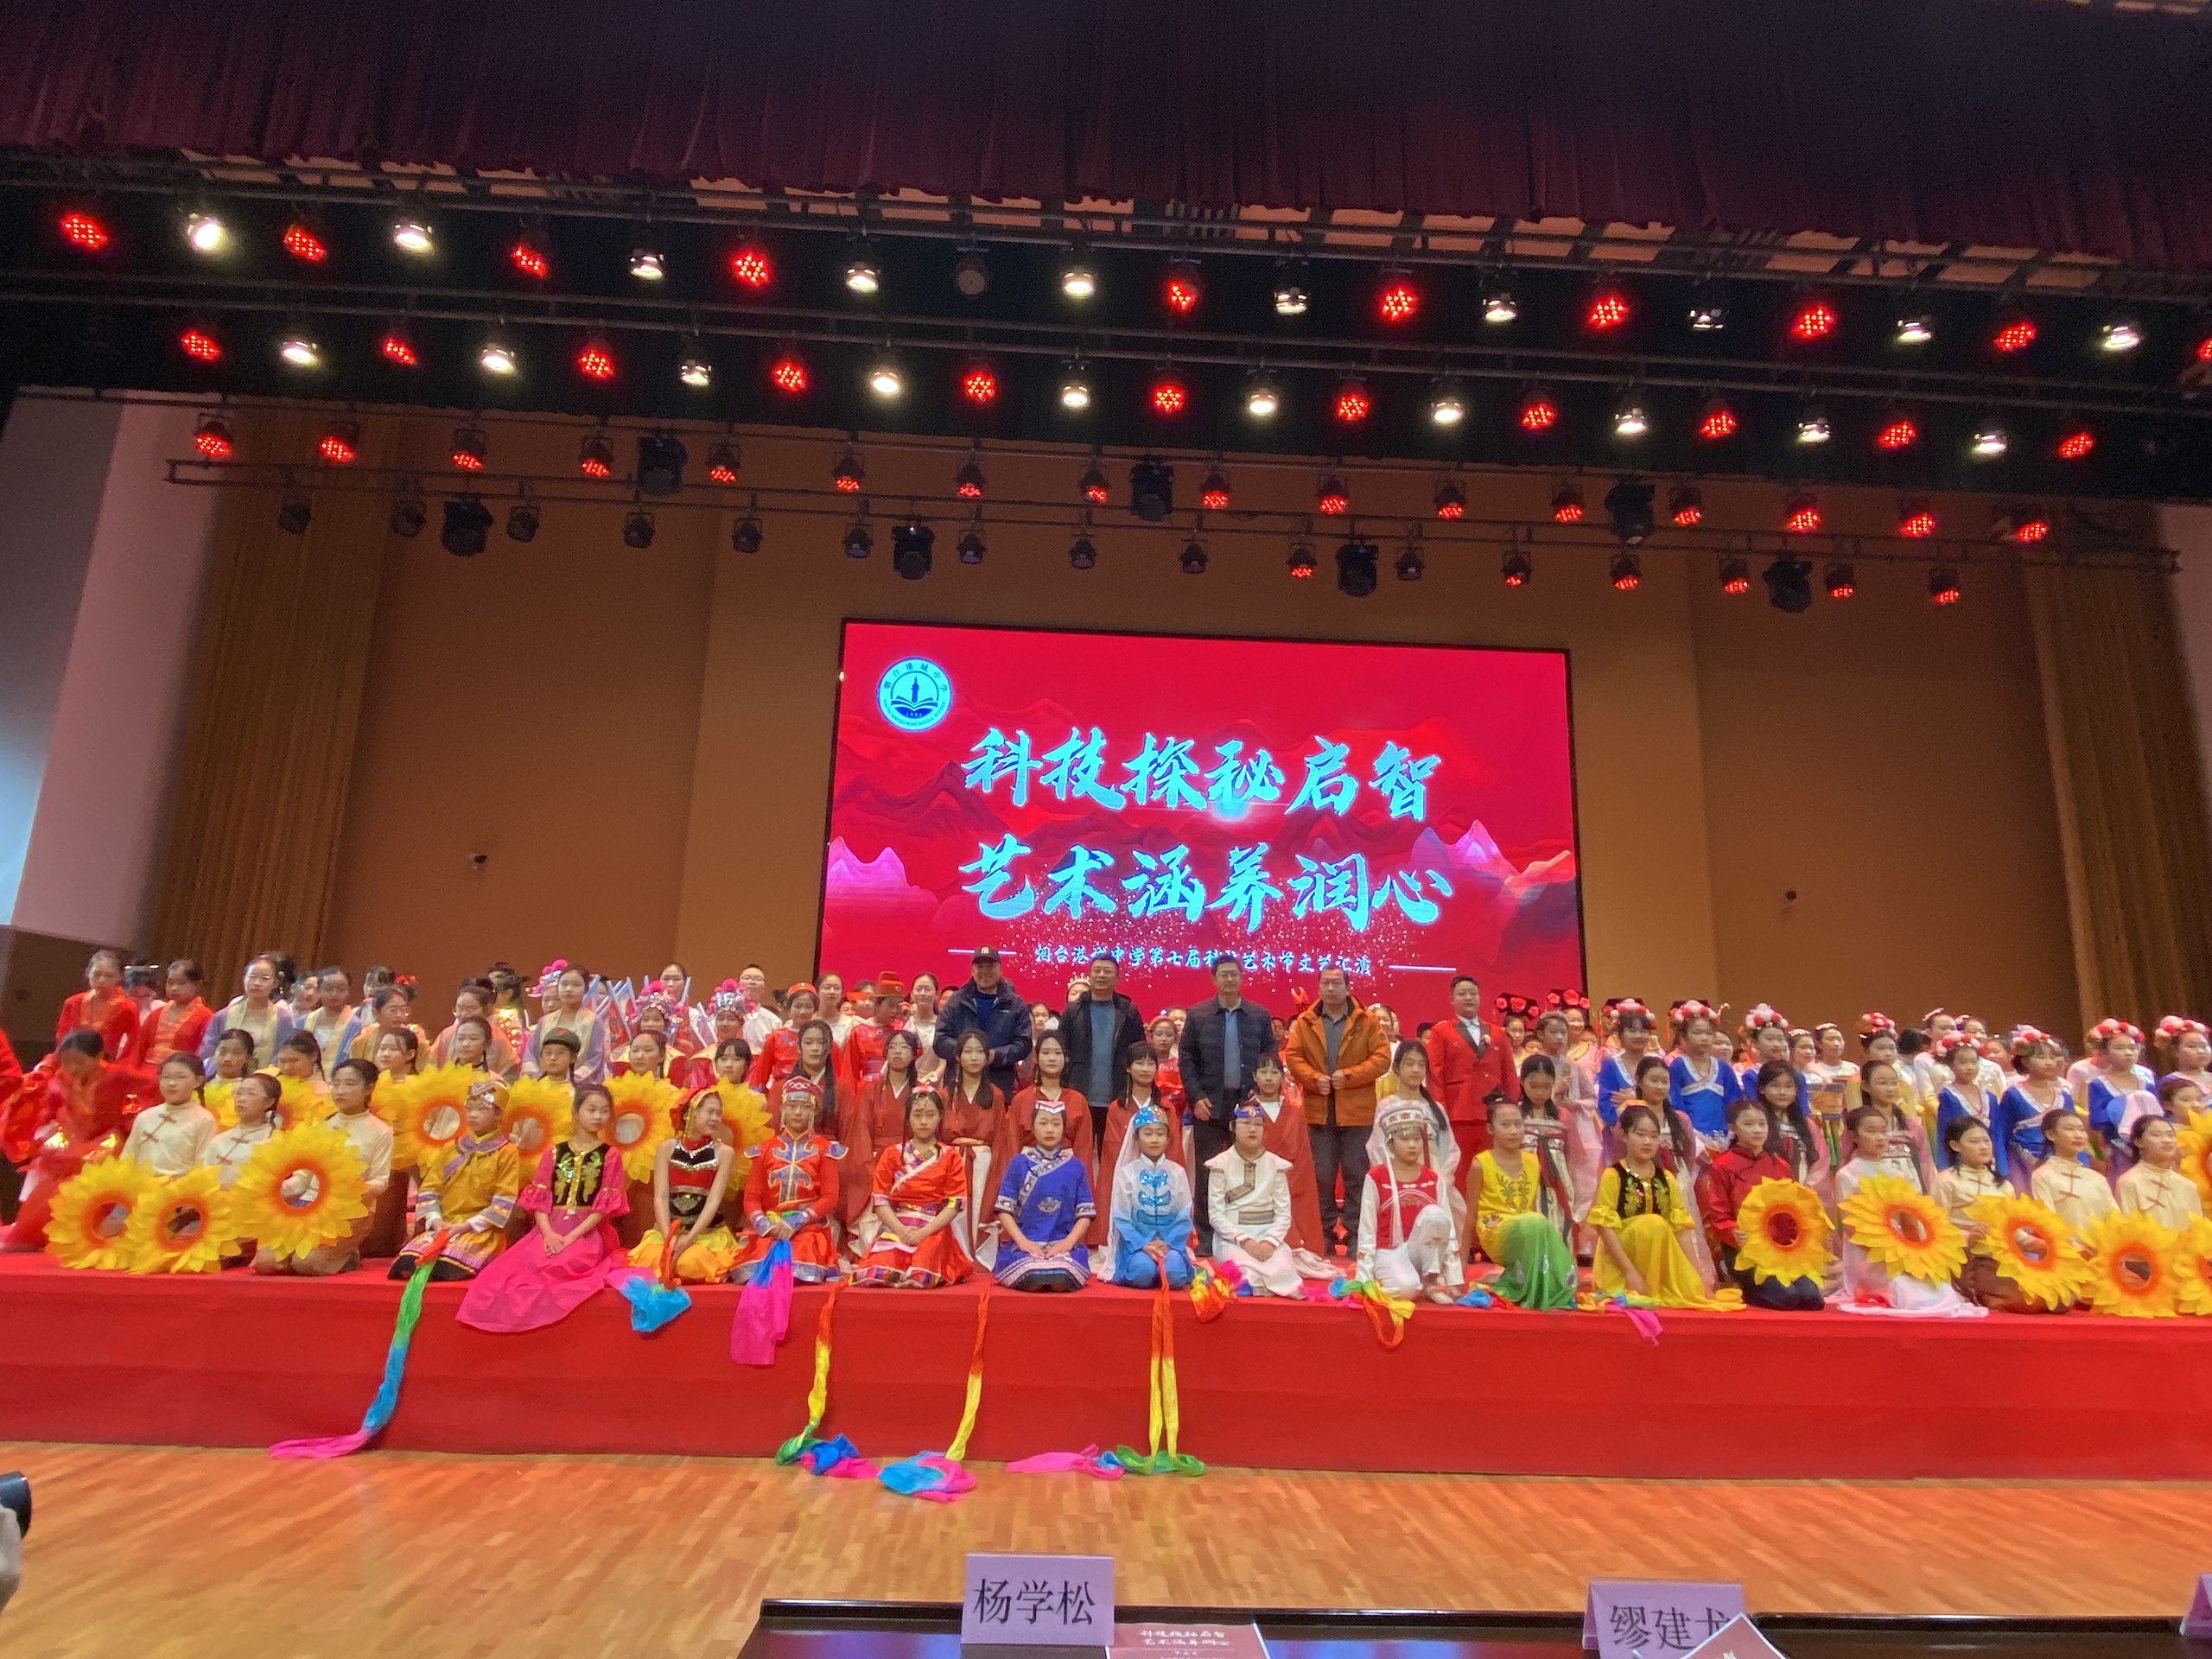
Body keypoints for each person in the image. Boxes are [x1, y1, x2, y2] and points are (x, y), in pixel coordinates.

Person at [459, 1084, 629, 1331]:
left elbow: (602, 1209)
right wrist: (548, 1233)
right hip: (548, 1228)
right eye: (591, 1110)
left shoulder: (610, 1155)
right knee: (509, 1272)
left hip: (587, 1232)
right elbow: (540, 1199)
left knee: (561, 1264)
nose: (598, 1116)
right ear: (575, 1112)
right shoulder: (554, 1152)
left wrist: (570, 1237)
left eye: (604, 1111)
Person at [0, 1031, 156, 1251]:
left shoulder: (118, 1075)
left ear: (99, 1056)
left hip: (107, 1138)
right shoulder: (63, 1076)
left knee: (87, 1171)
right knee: (53, 1174)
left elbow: (154, 1087)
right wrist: (50, 1124)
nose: (73, 1068)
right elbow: (53, 1104)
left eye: (80, 1062)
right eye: (67, 1062)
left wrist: (132, 1119)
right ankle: (36, 1235)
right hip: (74, 1137)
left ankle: (84, 1233)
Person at [1832, 1103, 1976, 1314]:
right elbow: (1851, 1228)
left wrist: (1914, 1252)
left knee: (1938, 1285)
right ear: (1854, 1136)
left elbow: (1909, 1219)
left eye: (1883, 1131)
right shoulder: (1847, 1175)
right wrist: (1888, 1250)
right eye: (1871, 1131)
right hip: (1867, 1253)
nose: (1880, 1137)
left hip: (1901, 1246)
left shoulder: (1897, 1174)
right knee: (1904, 1288)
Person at [1283, 963, 1386, 1257]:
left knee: (1357, 1175)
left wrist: (1350, 1076)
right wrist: (1313, 1078)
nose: (1330, 989)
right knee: (1321, 1176)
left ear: (1348, 987)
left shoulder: (1366, 1020)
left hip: (1357, 1111)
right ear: (1318, 987)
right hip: (1319, 1110)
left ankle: (1356, 1235)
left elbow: (1382, 1058)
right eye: (1325, 983)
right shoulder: (1306, 1021)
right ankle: (1323, 1234)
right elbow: (1293, 1056)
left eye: (1336, 983)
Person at [255, 1058, 392, 1276]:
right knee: (266, 1263)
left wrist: (359, 1188)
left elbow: (381, 1180)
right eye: (336, 1084)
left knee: (306, 1264)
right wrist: (274, 1188)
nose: (341, 1090)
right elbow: (302, 1179)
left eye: (349, 1084)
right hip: (307, 1206)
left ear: (368, 1088)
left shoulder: (380, 1131)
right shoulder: (321, 1126)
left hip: (349, 1210)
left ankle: (348, 1255)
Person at [1588, 1104, 1724, 1308]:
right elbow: (1604, 1228)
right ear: (1624, 1136)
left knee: (1693, 1293)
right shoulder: (1613, 1175)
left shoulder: (1667, 1178)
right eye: (1640, 1135)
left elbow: (1681, 1232)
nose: (1647, 1142)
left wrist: (1697, 1277)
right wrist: (1629, 1273)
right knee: (1654, 1223)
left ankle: (1658, 1281)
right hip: (1620, 1264)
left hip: (1657, 1261)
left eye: (1653, 1136)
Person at [1697, 1097, 1824, 1310]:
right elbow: (1719, 1214)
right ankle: (1744, 1287)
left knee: (1813, 1300)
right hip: (1746, 1251)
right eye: (1748, 1124)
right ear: (1733, 1128)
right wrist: (1732, 1231)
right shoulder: (1723, 1166)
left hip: (1780, 1249)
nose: (1757, 1130)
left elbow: (1794, 1207)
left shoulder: (1780, 1165)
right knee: (1787, 1299)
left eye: (1761, 1124)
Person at [394, 1080, 524, 1281]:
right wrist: (436, 1220)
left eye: (481, 1109)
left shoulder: (506, 1152)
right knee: (407, 1264)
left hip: (480, 1230)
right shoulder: (451, 1148)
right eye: (470, 1109)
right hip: (444, 1224)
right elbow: (430, 1188)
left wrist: (464, 1227)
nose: (473, 1115)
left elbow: (503, 1200)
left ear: (499, 1114)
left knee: (447, 1267)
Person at [854, 1085, 971, 1287]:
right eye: (917, 1115)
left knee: (923, 1268)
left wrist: (922, 1233)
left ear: (940, 1117)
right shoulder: (891, 1154)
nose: (923, 1121)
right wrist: (901, 1231)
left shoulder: (950, 1156)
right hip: (898, 1223)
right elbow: (880, 1200)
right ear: (908, 1118)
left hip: (933, 1225)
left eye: (930, 1115)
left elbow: (954, 1204)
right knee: (881, 1269)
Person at [1466, 1098, 1579, 1308]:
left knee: (1538, 1224)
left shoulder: (1532, 1161)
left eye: (1518, 1124)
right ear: (1490, 1129)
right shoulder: (1480, 1164)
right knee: (1535, 1221)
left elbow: (1532, 1207)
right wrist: (1458, 1273)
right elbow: (1470, 1217)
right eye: (1505, 1125)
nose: (1513, 1131)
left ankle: (1526, 1282)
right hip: (1495, 1231)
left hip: (1527, 1225)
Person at [729, 1076, 842, 1284]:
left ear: (814, 1112)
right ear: (782, 1109)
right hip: (771, 1225)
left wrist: (796, 1222)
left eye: (805, 1107)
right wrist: (763, 1224)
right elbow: (752, 1197)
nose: (798, 1112)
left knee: (799, 1257)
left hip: (808, 1227)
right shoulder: (764, 1150)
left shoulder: (825, 1150)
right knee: (761, 1261)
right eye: (792, 1106)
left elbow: (830, 1197)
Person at [1357, 1096, 1465, 1304]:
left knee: (1436, 1216)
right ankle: (1396, 1282)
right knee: (1406, 1289)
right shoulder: (1376, 1178)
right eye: (1405, 1140)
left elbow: (1448, 1229)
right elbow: (1367, 1229)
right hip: (1388, 1252)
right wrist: (1364, 1280)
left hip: (1418, 1253)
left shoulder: (1433, 1179)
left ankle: (1430, 1282)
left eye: (1417, 1139)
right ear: (1390, 1143)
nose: (1412, 1145)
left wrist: (1453, 1280)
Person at [627, 1089, 739, 1283]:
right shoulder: (666, 1149)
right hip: (667, 1232)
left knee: (690, 1264)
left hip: (706, 1234)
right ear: (689, 1113)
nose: (715, 1118)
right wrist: (668, 1238)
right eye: (710, 1112)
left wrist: (689, 1239)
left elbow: (713, 1201)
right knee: (653, 1260)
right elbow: (660, 1197)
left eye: (718, 1113)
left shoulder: (724, 1153)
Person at [994, 1096, 1093, 1291]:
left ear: (1064, 1128)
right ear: (1032, 1127)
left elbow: (1085, 1214)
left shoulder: (1076, 1167)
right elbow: (1004, 1210)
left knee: (1060, 1279)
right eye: (1043, 1123)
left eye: (1056, 1124)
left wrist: (1067, 1244)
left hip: (1063, 1247)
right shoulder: (1018, 1163)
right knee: (1034, 1278)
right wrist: (1023, 1242)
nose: (1050, 1129)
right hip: (1026, 1247)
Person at [1205, 1101, 1304, 1296]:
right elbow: (1216, 1215)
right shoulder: (1220, 1164)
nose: (1252, 1129)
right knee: (1243, 1273)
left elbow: (1284, 1215)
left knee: (1283, 1271)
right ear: (1233, 1127)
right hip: (1233, 1237)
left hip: (1268, 1234)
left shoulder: (1276, 1165)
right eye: (1246, 1123)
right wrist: (1245, 1242)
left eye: (1257, 1124)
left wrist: (1269, 1242)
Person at [1423, 974, 1519, 1156]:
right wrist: (1440, 1112)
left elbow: (1509, 1073)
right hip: (1458, 1111)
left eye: (1473, 993)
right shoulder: (1441, 1032)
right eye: (1462, 994)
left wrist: (1511, 1108)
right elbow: (1435, 1074)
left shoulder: (1497, 1033)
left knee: (1492, 1164)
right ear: (1452, 999)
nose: (1468, 998)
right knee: (1459, 1166)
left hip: (1493, 1112)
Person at [1103, 1103, 1194, 1288]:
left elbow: (1184, 1214)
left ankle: (1167, 1265)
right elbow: (1121, 1217)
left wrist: (1168, 1244)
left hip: (1170, 1244)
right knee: (1142, 1272)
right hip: (1136, 1246)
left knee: (1174, 1274)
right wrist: (1143, 1244)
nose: (1154, 1139)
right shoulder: (1127, 1173)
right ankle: (1145, 1267)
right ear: (1136, 1138)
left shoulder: (1177, 1172)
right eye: (1148, 1133)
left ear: (1168, 1138)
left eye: (1160, 1134)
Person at [1059, 954, 1147, 1143]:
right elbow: (1062, 1050)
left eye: (1107, 971)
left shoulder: (1129, 1011)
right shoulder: (1073, 1011)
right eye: (1096, 970)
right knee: (1079, 1151)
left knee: (1113, 1153)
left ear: (1117, 978)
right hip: (1078, 1093)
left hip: (1117, 1096)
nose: (1101, 975)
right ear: (1089, 975)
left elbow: (1138, 1052)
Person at [1936, 1117, 2019, 1309]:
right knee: (2026, 1299)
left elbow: (2012, 1227)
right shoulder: (1946, 1181)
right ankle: (1978, 1295)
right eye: (1974, 1142)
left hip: (2001, 1259)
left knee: (2060, 1299)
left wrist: (2034, 1243)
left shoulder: (2004, 1185)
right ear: (1955, 1146)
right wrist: (1968, 1237)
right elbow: (1936, 1227)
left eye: (1986, 1141)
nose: (1983, 1147)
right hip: (1967, 1260)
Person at [842, 1028, 918, 1232]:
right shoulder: (870, 1088)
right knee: (870, 1222)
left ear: (914, 1055)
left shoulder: (919, 1091)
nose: (897, 1052)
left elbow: (924, 1131)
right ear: (885, 1053)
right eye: (892, 1047)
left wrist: (911, 1161)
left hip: (909, 1161)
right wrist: (868, 1164)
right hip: (874, 1159)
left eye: (904, 1047)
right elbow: (861, 1128)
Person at [933, 946, 1033, 1099]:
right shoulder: (957, 1001)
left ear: (1000, 968)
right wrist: (966, 1053)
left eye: (990, 966)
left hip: (1000, 1086)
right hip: (959, 1088)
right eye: (980, 966)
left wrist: (995, 1056)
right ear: (972, 970)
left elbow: (1024, 1044)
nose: (985, 971)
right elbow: (940, 1040)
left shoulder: (1015, 1004)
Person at [1007, 1030, 1096, 1179]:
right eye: (1046, 1053)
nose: (1052, 1058)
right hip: (1028, 1176)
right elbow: (1012, 1146)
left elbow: (1084, 1150)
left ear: (1066, 1058)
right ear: (1037, 1057)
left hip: (1067, 1176)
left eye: (1057, 1053)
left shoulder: (1078, 1100)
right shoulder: (1021, 1100)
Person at [1993, 1029, 2071, 1189]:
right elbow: (2000, 1133)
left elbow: (2074, 1131)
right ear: (2025, 1061)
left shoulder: (2064, 1096)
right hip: (2022, 1162)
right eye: (2041, 1057)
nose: (2049, 1062)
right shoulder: (2014, 1094)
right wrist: (2002, 1168)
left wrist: (2081, 1162)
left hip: (2060, 1162)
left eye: (2052, 1057)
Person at [120, 1053, 217, 1177]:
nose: (171, 1083)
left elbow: (203, 1166)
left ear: (198, 1081)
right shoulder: (145, 1116)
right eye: (166, 1077)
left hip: (178, 1187)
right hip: (139, 1185)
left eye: (181, 1077)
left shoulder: (204, 1120)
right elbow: (127, 1157)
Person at [1666, 1001, 1742, 1150]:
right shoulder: (1678, 1066)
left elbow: (1734, 1102)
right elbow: (1675, 1103)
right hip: (1691, 1137)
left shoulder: (1723, 1068)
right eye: (1697, 1033)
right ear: (1683, 1036)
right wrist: (1689, 1133)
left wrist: (1731, 1131)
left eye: (1709, 1033)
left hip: (1723, 1137)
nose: (1704, 1038)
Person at [2031, 1108, 2115, 1237]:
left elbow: (2114, 1218)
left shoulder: (2097, 1178)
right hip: (2062, 1248)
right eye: (2069, 1129)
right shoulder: (2042, 1176)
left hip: (2100, 1248)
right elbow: (2047, 1222)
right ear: (2051, 1135)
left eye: (2082, 1130)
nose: (2078, 1135)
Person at [197, 954, 294, 1065]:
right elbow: (208, 1052)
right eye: (252, 977)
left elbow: (283, 1054)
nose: (257, 983)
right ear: (244, 979)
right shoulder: (223, 1016)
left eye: (265, 979)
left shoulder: (282, 1018)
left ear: (275, 983)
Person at [1858, 1058, 1936, 1190]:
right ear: (1866, 1086)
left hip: (1910, 1191)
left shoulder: (1912, 1127)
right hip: (1871, 1190)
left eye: (1894, 1083)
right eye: (1883, 1083)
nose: (1890, 1089)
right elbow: (1846, 1162)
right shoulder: (1857, 1124)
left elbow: (1926, 1165)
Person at [524, 965, 608, 1083]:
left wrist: (568, 1081)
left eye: (576, 985)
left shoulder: (593, 1021)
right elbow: (530, 1055)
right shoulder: (545, 1021)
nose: (568, 989)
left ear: (586, 989)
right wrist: (539, 1079)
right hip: (543, 1085)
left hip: (578, 1086)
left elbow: (594, 1059)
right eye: (564, 984)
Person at [2117, 1116, 2202, 1230]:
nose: (2167, 1140)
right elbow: (2128, 1230)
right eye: (2156, 1135)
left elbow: (2199, 1231)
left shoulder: (2188, 1186)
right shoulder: (2129, 1183)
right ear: (2139, 1142)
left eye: (2170, 1135)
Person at [56, 947, 141, 1062]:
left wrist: (120, 1066)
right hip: (71, 1062)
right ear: (88, 973)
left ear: (120, 977)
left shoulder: (127, 1008)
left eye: (109, 975)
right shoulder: (72, 1002)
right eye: (97, 974)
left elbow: (134, 1045)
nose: (102, 980)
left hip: (105, 1064)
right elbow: (62, 1038)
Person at [201, 1071, 277, 1188]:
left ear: (268, 1102)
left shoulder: (272, 1141)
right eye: (239, 1093)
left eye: (251, 1094)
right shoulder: (218, 1140)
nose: (241, 1099)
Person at [838, 974, 907, 1096]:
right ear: (877, 1004)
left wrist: (907, 1023)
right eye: (890, 1005)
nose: (894, 1011)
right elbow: (850, 1074)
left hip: (895, 1091)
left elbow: (915, 1056)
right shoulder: (859, 1032)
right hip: (866, 1093)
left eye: (898, 1006)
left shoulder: (901, 1029)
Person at [1933, 1033, 1995, 1169]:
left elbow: (1997, 1133)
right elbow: (1945, 1133)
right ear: (1950, 1065)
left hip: (1989, 1158)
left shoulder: (1989, 1097)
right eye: (1963, 1062)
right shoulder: (1948, 1096)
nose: (1970, 1067)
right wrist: (1946, 1167)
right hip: (1961, 1161)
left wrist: (2002, 1166)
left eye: (1974, 1062)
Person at [137, 960, 213, 1069]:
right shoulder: (156, 1014)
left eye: (181, 983)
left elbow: (203, 1055)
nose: (174, 988)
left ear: (198, 985)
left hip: (179, 1072)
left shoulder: (206, 1017)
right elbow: (139, 1049)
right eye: (170, 983)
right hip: (146, 1069)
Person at [747, 984, 823, 1090]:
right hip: (780, 1092)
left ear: (815, 1009)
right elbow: (761, 1075)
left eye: (808, 1007)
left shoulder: (824, 1038)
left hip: (813, 1092)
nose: (802, 1012)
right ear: (789, 1008)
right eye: (797, 1006)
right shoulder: (776, 1038)